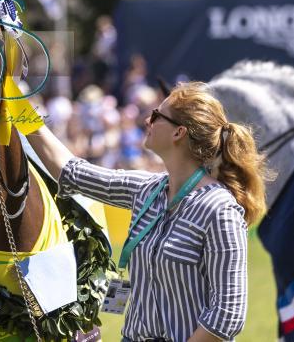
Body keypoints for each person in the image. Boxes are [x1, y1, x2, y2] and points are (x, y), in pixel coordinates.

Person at [26, 81, 268, 341]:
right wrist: (19, 109)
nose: (146, 120)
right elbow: (71, 173)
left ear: (179, 133)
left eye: (156, 115)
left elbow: (227, 315)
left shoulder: (220, 210)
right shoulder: (146, 189)